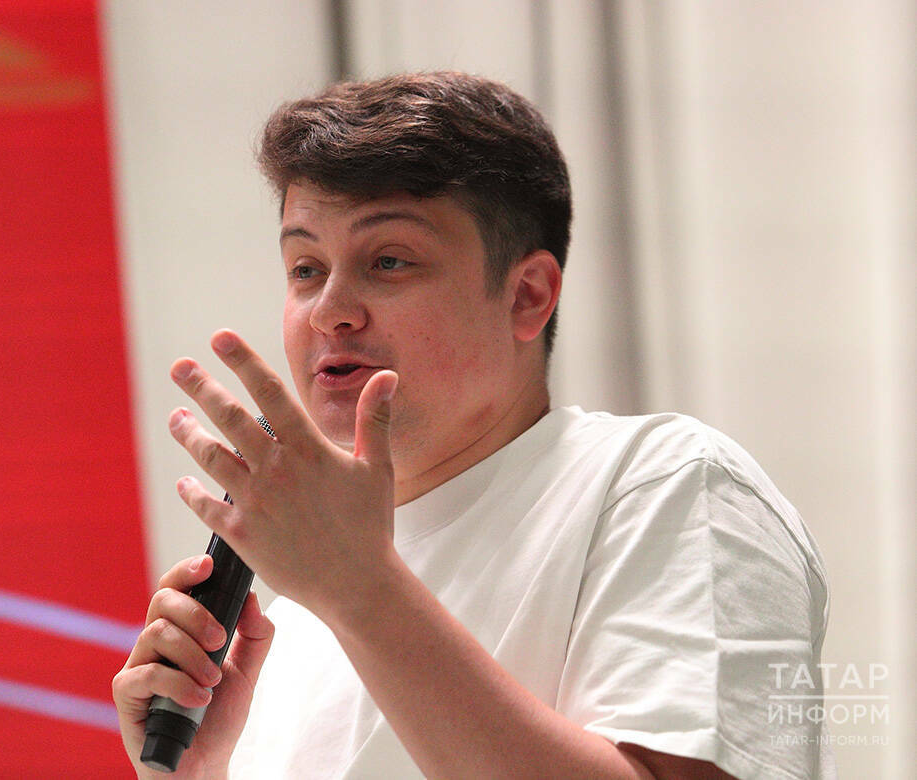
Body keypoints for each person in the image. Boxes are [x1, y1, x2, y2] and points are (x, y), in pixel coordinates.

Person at [113, 72, 832, 779]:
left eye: (388, 260)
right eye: (305, 268)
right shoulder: (294, 624)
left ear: (527, 296)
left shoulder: (666, 484)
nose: (330, 311)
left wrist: (361, 592)